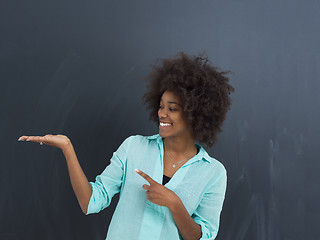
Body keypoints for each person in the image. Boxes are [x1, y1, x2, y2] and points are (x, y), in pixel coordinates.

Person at [18, 52, 234, 240]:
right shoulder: (134, 147)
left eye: (172, 108)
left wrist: (174, 204)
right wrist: (67, 148)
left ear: (196, 114)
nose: (162, 114)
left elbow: (201, 236)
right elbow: (90, 202)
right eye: (160, 106)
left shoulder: (213, 173)